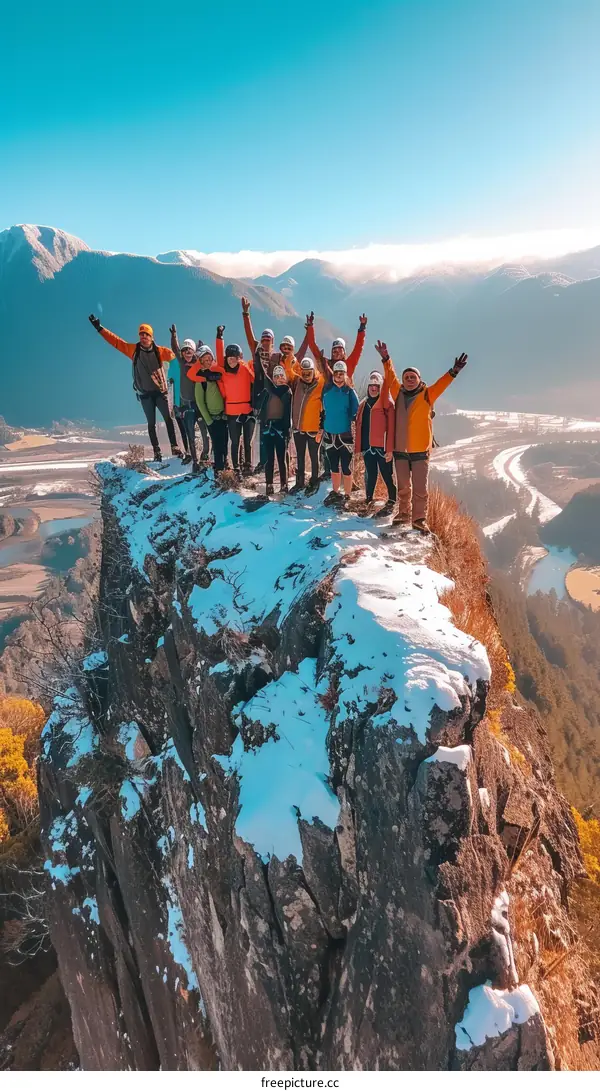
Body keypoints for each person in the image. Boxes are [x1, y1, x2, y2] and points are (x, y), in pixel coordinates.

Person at [375, 340, 468, 533]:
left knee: (420, 489)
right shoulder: (397, 392)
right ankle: (403, 514)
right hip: (400, 449)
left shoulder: (428, 394)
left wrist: (454, 371)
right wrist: (385, 358)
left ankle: (419, 519)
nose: (409, 379)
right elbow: (390, 376)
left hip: (420, 451)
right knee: (403, 487)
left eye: (413, 377)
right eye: (407, 377)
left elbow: (442, 384)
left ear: (419, 379)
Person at [88, 314, 182, 462]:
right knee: (151, 424)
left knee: (168, 419)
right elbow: (116, 342)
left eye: (146, 334)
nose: (143, 336)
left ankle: (175, 447)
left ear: (151, 337)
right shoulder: (133, 350)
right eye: (141, 334)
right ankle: (157, 453)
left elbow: (178, 357)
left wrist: (177, 341)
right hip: (145, 394)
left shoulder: (160, 351)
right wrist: (100, 328)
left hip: (160, 392)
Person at [240, 298, 312, 470]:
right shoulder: (260, 354)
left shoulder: (280, 358)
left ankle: (284, 465)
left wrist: (309, 333)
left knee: (282, 431)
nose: (265, 341)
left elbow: (300, 353)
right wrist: (246, 314)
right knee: (264, 429)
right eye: (263, 339)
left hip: (282, 397)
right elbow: (250, 336)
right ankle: (264, 463)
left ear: (272, 341)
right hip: (262, 395)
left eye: (268, 339)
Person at [186, 330, 228, 472]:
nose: (208, 362)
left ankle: (224, 465)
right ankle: (219, 469)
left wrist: (219, 337)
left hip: (223, 415)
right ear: (201, 362)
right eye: (205, 360)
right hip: (212, 417)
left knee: (224, 442)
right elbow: (200, 402)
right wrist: (208, 420)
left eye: (210, 359)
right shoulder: (200, 380)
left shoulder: (217, 372)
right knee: (216, 443)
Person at [169, 324, 211, 469]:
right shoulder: (181, 363)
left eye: (190, 350)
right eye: (185, 350)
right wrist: (174, 335)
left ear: (194, 352)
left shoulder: (198, 364)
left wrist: (203, 347)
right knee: (190, 435)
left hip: (199, 404)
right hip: (186, 405)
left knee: (204, 432)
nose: (187, 352)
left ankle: (205, 455)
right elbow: (174, 349)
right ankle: (195, 461)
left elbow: (207, 358)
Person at [355, 370, 396, 513]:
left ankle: (392, 499)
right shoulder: (363, 404)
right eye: (371, 385)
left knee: (386, 474)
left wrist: (390, 449)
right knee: (370, 473)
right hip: (367, 446)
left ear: (380, 388)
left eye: (376, 386)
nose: (373, 388)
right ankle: (368, 498)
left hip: (382, 447)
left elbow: (391, 429)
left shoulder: (387, 405)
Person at [321, 359, 359, 508]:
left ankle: (347, 495)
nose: (338, 376)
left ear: (345, 375)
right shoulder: (327, 389)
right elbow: (322, 409)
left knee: (346, 466)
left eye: (341, 373)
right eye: (336, 373)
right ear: (333, 374)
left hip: (345, 433)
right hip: (329, 433)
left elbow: (355, 411)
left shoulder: (349, 391)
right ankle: (336, 492)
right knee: (333, 466)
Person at [288, 357, 326, 495]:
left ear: (313, 371)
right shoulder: (297, 382)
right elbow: (288, 370)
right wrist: (290, 357)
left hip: (314, 429)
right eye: (304, 373)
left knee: (314, 456)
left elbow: (325, 408)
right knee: (300, 456)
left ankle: (314, 481)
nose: (306, 376)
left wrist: (322, 427)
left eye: (308, 373)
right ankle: (299, 482)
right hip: (298, 428)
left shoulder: (321, 384)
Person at [219, 342, 255, 475]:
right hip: (232, 412)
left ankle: (248, 466)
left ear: (239, 358)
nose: (232, 361)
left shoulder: (245, 369)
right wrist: (219, 338)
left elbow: (255, 381)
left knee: (247, 441)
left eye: (235, 358)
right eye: (229, 358)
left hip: (247, 410)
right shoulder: (223, 372)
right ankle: (236, 467)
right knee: (235, 441)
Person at [259, 364, 292, 495]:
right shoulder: (268, 392)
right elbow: (262, 408)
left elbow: (287, 412)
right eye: (276, 377)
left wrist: (286, 430)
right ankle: (269, 484)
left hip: (281, 428)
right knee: (269, 459)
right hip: (269, 427)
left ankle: (284, 484)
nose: (278, 379)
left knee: (281, 458)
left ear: (284, 378)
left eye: (281, 376)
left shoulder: (286, 391)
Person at [307, 314, 368, 379]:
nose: (337, 353)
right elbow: (313, 347)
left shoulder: (349, 365)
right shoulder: (326, 364)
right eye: (334, 351)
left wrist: (362, 328)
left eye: (340, 350)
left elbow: (358, 349)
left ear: (344, 352)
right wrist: (310, 327)